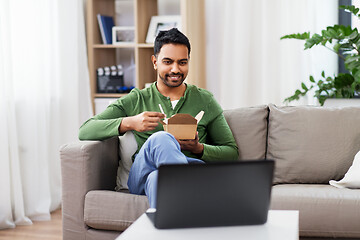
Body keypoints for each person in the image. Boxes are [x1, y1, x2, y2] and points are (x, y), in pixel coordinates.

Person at [79, 28, 238, 208]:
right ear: (155, 62)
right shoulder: (136, 99)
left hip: (180, 172)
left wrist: (198, 148)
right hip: (143, 174)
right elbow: (85, 130)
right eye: (168, 62)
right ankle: (188, 190)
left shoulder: (205, 100)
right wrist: (130, 122)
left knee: (158, 179)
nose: (175, 69)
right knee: (161, 138)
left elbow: (232, 153)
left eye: (182, 62)